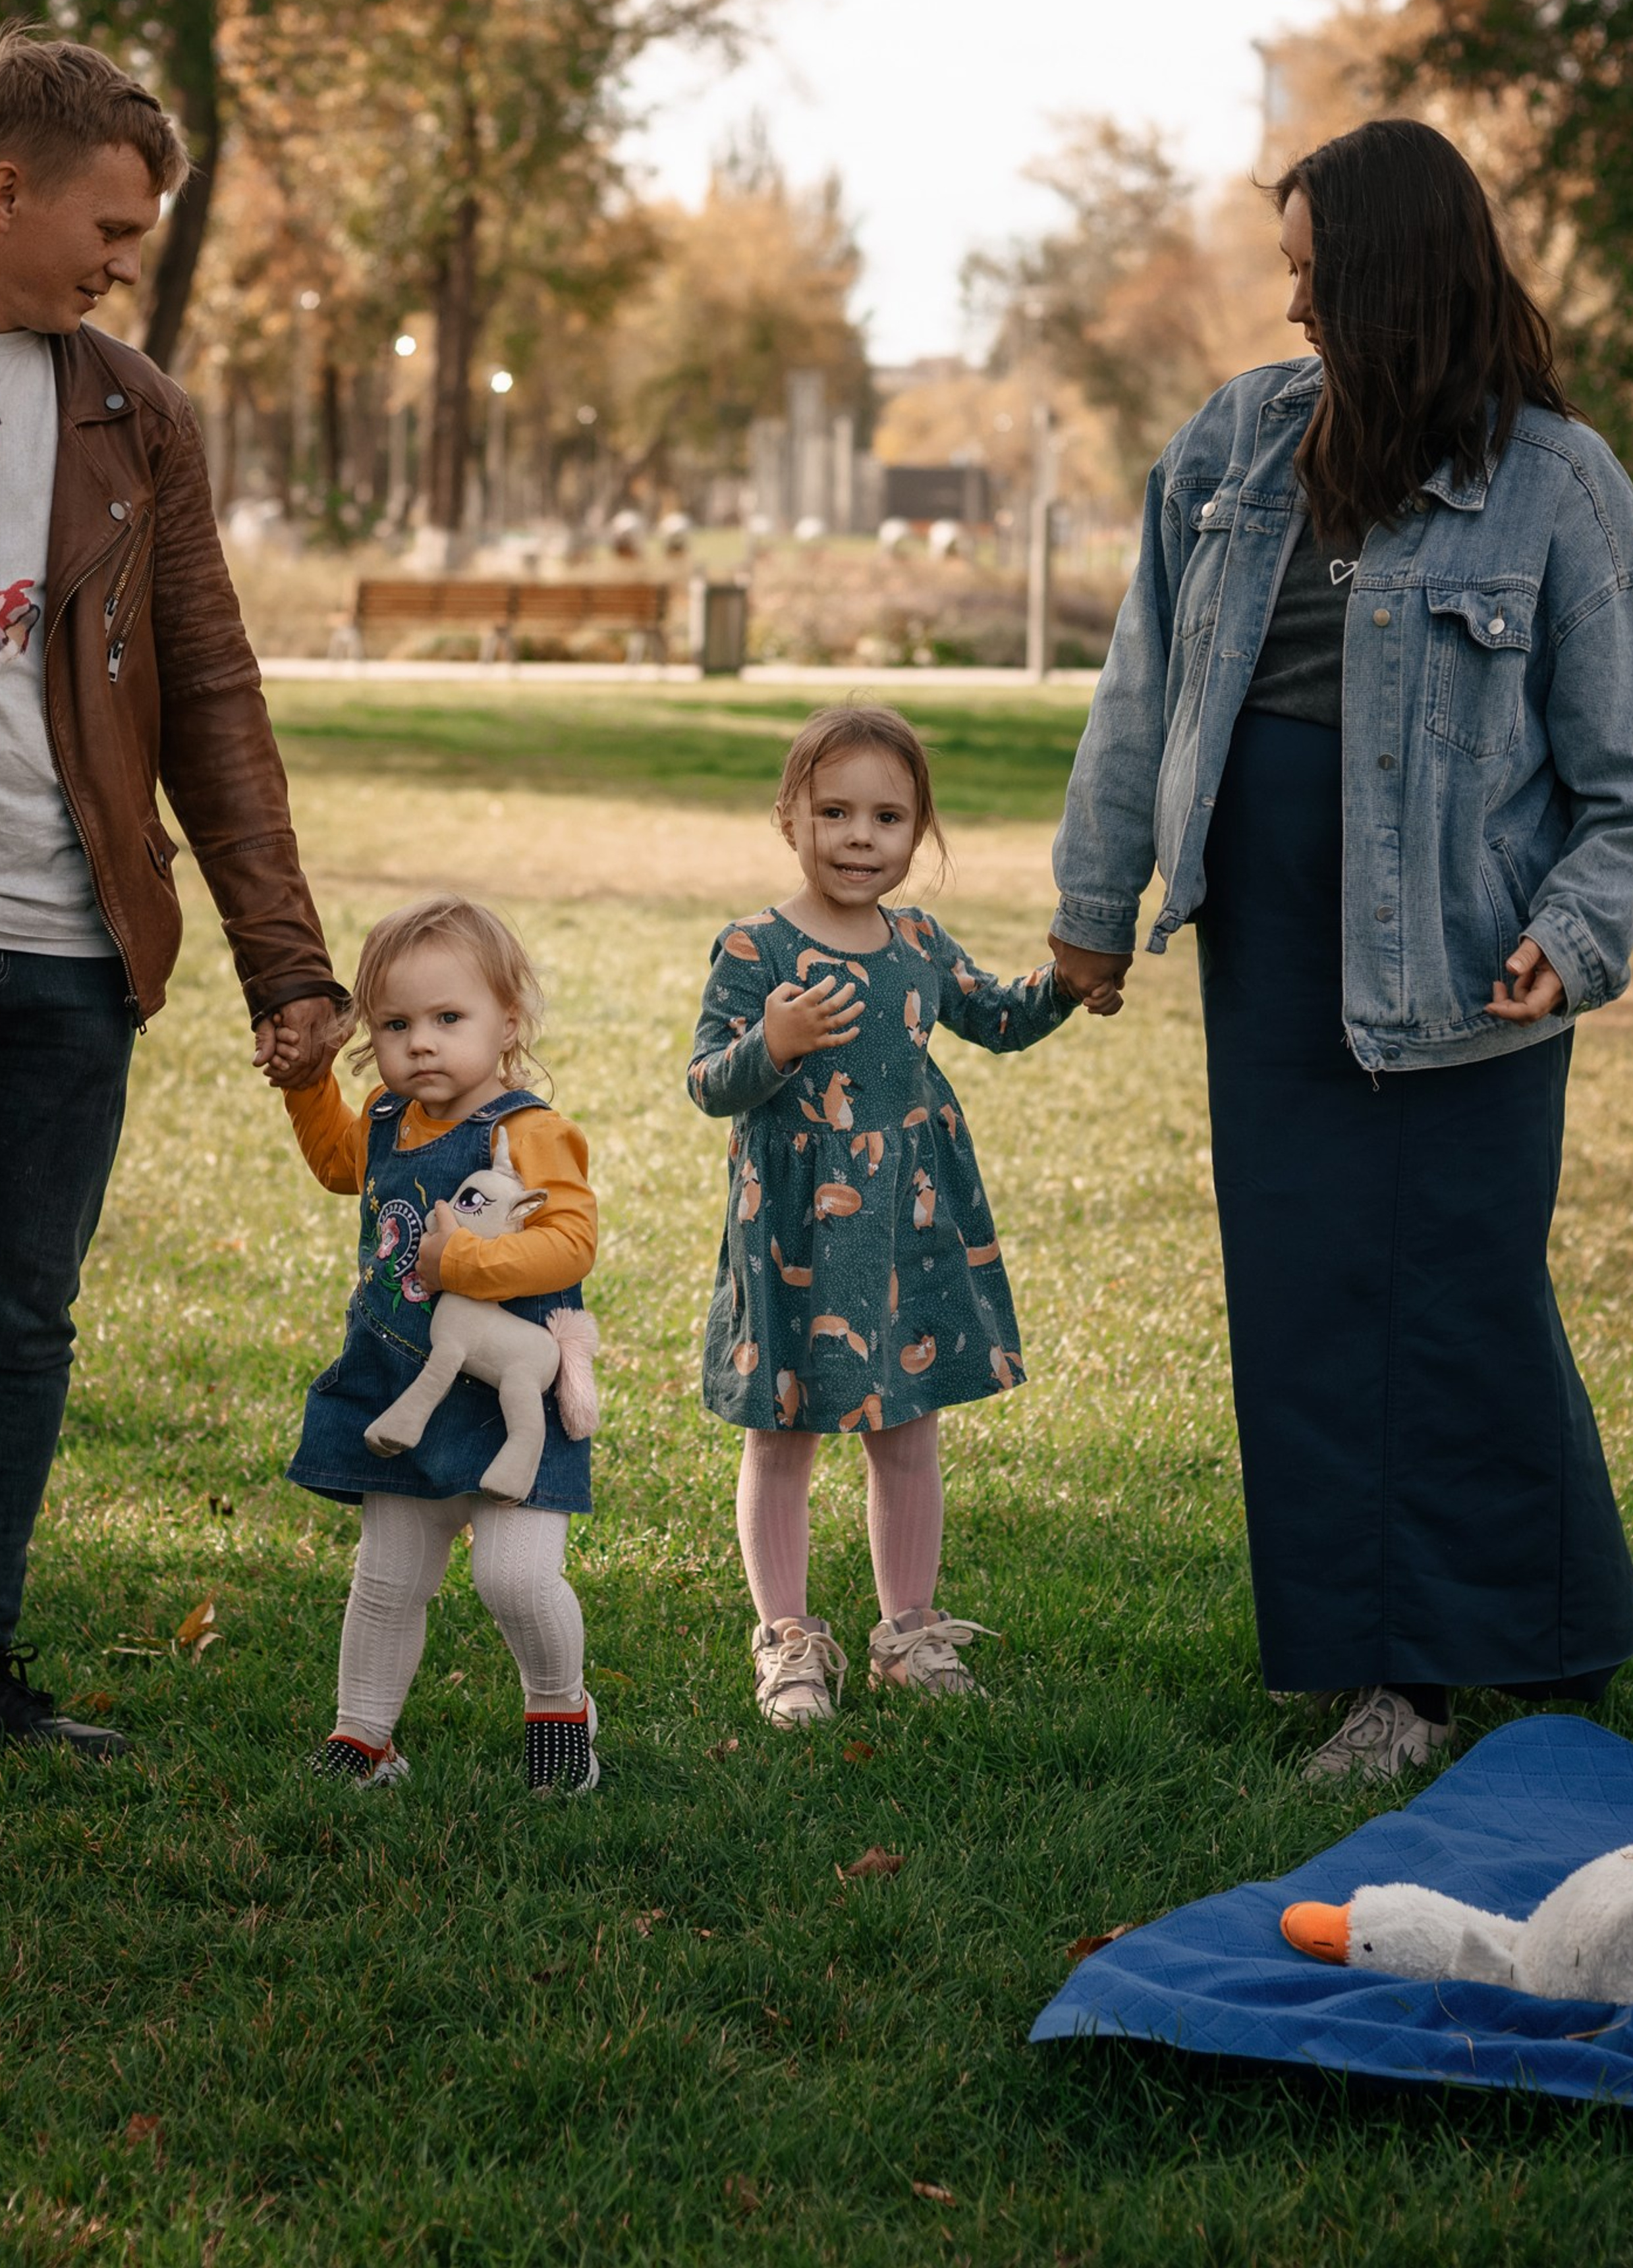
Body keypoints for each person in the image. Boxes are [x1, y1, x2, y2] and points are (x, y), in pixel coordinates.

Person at [1051, 117, 1633, 1782]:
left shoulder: (1555, 484)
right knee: (1309, 1307)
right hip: (1271, 953)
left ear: (1390, 275)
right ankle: (1496, 1641)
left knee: (1456, 1305)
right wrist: (1094, 915)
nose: (1290, 305)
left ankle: (1421, 1681)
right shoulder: (1239, 439)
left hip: (1467, 959)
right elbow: (1139, 685)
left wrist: (1572, 940)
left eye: (1314, 271)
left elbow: (1617, 782)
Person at [0, 25, 344, 1760]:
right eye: (110, 227)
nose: (128, 264)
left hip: (55, 948)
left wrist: (285, 960)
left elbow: (210, 684)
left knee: (11, 1328)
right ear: (3, 187)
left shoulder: (128, 409)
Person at [688, 705, 1100, 1726]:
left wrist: (1067, 984)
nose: (860, 837)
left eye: (887, 817)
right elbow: (708, 1083)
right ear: (790, 817)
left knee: (908, 1427)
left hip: (907, 1224)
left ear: (919, 832)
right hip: (795, 1231)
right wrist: (772, 1044)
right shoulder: (757, 948)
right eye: (835, 812)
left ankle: (908, 1632)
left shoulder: (916, 940)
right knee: (783, 1429)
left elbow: (994, 1016)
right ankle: (787, 1642)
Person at [275, 894, 601, 1793]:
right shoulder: (387, 1116)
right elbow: (342, 1164)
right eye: (396, 1024)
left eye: (448, 1019)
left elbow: (571, 1240)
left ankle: (560, 1709)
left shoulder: (527, 1132)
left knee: (516, 1579)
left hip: (510, 1397)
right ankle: (365, 1735)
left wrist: (470, 1265)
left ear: (507, 1023)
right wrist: (309, 1085)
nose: (420, 1043)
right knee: (387, 1576)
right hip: (402, 1384)